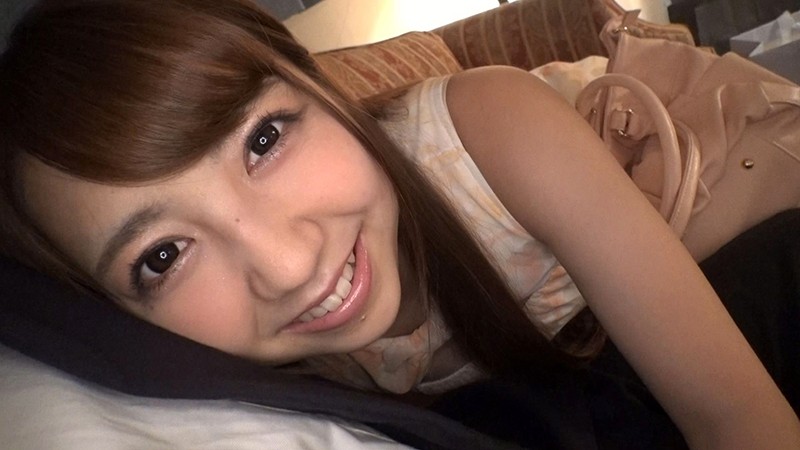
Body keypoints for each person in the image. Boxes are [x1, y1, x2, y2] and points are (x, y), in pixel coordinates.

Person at [0, 0, 798, 447]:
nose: (288, 266)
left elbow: (736, 416)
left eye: (264, 140)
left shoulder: (494, 127)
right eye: (163, 255)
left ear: (319, 87)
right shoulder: (241, 390)